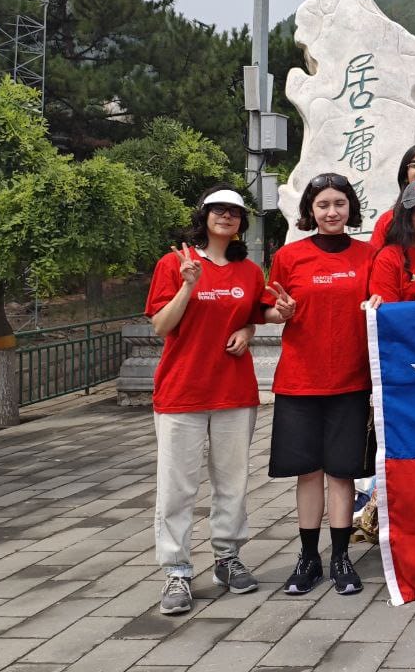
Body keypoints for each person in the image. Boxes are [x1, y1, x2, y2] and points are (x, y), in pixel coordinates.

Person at [145, 186, 267, 616]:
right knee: (177, 487)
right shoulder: (175, 263)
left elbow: (253, 315)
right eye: (218, 209)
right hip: (182, 392)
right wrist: (187, 286)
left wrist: (249, 331)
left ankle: (227, 558)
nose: (226, 216)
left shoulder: (249, 271)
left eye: (234, 211)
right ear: (203, 216)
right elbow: (161, 325)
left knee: (232, 482)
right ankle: (176, 569)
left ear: (241, 222)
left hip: (234, 390)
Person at [264, 172, 374, 597]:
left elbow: (382, 302)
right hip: (300, 381)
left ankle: (341, 557)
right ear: (310, 210)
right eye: (323, 204)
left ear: (350, 208)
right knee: (308, 473)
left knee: (342, 473)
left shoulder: (369, 255)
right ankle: (308, 558)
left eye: (339, 204)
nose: (332, 212)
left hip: (351, 380)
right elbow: (270, 309)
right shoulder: (289, 257)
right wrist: (281, 313)